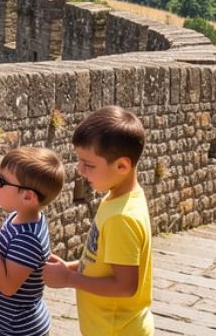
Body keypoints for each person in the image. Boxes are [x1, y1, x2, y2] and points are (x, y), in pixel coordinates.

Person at [43, 106, 153, 336]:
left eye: (89, 164)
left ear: (122, 166)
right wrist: (70, 267)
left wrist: (69, 278)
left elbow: (125, 286)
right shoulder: (117, 199)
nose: (80, 170)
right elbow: (101, 263)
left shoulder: (121, 217)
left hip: (116, 330)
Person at [0, 147, 65, 336]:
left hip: (19, 330)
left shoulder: (28, 239)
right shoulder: (17, 216)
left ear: (28, 196)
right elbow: (3, 255)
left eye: (2, 181)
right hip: (5, 325)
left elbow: (7, 287)